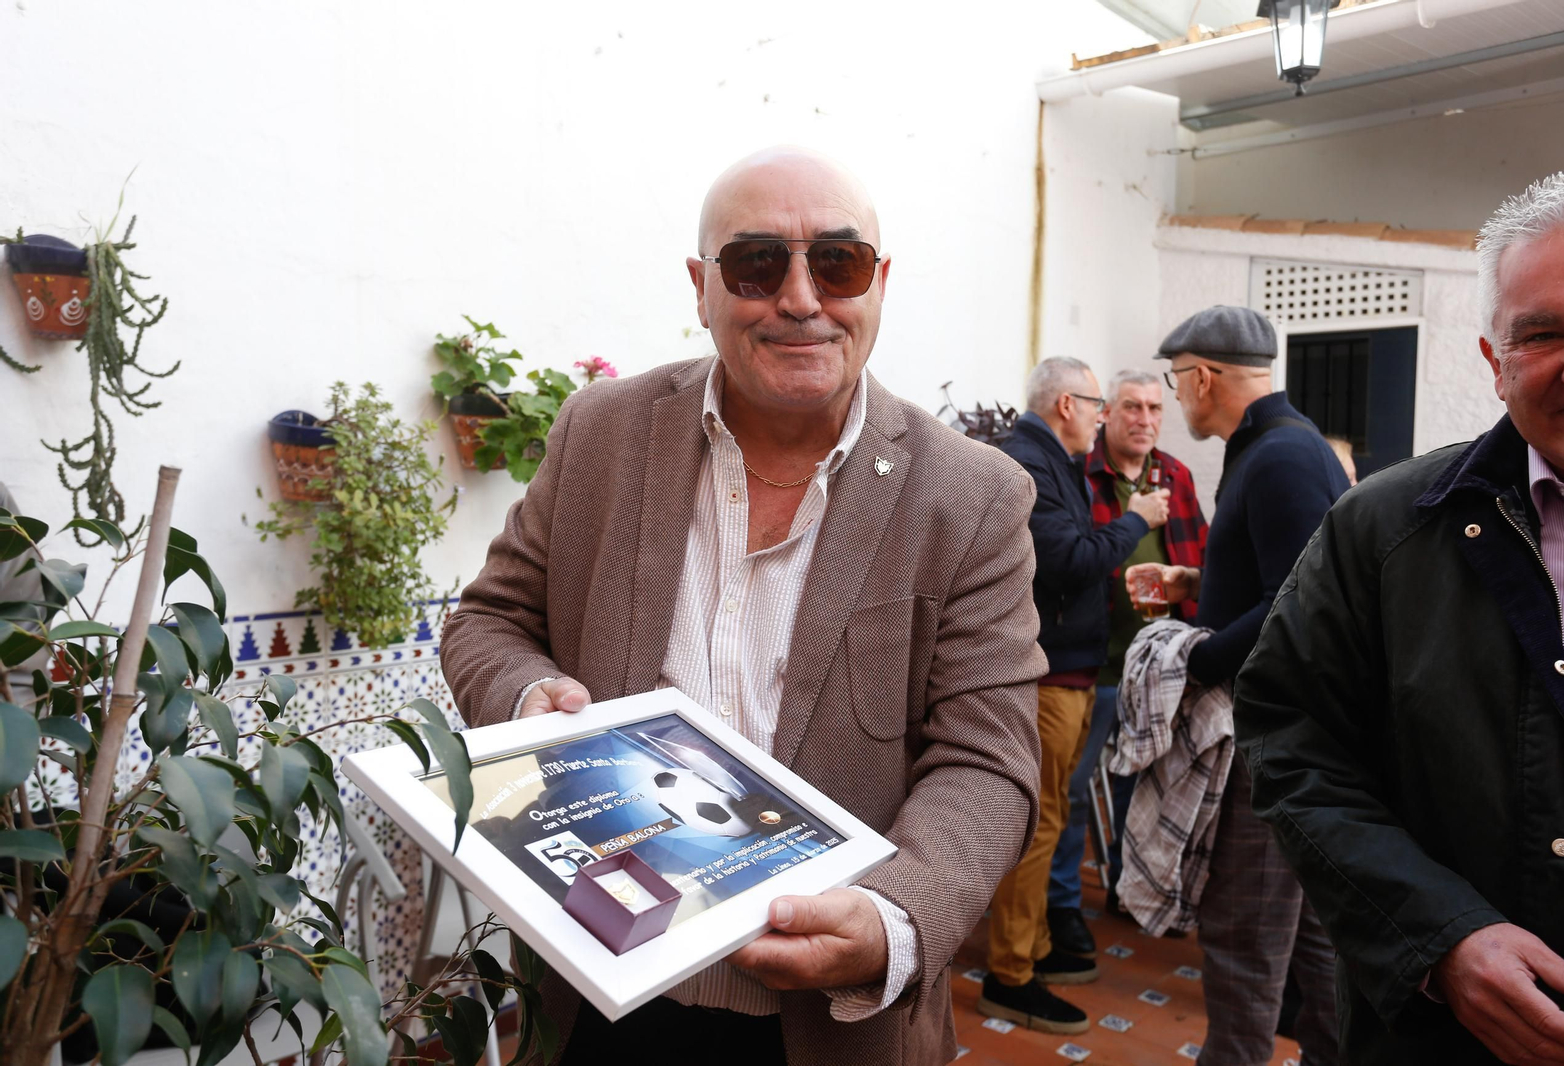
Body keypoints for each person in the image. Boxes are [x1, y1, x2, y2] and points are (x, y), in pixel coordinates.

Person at [440, 146, 1048, 1066]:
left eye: (836, 263)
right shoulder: (601, 432)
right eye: (757, 263)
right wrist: (535, 703)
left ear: (879, 281)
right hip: (597, 993)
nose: (800, 299)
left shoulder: (971, 497)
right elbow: (488, 622)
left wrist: (894, 917)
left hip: (828, 1027)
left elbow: (988, 758)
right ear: (701, 285)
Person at [1235, 167, 1564, 1065]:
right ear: (1493, 361)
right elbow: (1291, 744)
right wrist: (1440, 937)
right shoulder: (1385, 532)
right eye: (1543, 333)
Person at [1125, 305, 1347, 1066]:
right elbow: (1289, 575)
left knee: (1245, 944)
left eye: (1174, 380)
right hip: (1300, 738)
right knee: (1312, 948)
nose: (1176, 396)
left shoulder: (1279, 457)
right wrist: (1195, 582)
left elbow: (1299, 601)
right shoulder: (1280, 447)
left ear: (1204, 376)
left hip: (1269, 744)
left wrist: (1200, 659)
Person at [976, 357, 1170, 1034]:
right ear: (1066, 404)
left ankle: (1029, 951)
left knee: (1049, 819)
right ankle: (1012, 976)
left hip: (1069, 670)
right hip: (1049, 675)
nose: (1104, 417)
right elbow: (1070, 559)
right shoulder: (1030, 463)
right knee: (1037, 825)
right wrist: (1137, 518)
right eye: (1097, 405)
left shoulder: (1049, 459)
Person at [1046, 369, 1206, 946]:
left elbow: (1201, 556)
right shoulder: (1081, 475)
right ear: (1107, 413)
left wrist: (1181, 585)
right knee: (1071, 790)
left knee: (1141, 787)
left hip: (1157, 669)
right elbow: (1071, 558)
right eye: (1133, 408)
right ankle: (1062, 905)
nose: (1145, 420)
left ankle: (1127, 888)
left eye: (1155, 409)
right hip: (1092, 663)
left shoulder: (1176, 475)